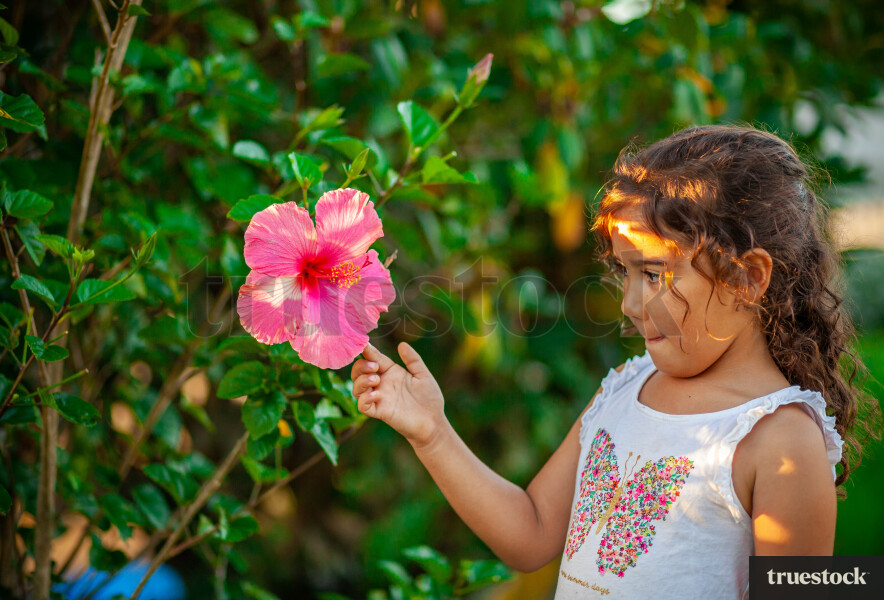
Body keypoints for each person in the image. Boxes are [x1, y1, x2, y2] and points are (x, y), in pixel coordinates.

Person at [350, 125, 880, 599]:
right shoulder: (628, 386)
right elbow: (531, 534)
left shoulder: (780, 441)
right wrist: (432, 433)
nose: (629, 303)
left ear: (747, 278)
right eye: (625, 275)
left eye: (652, 274)